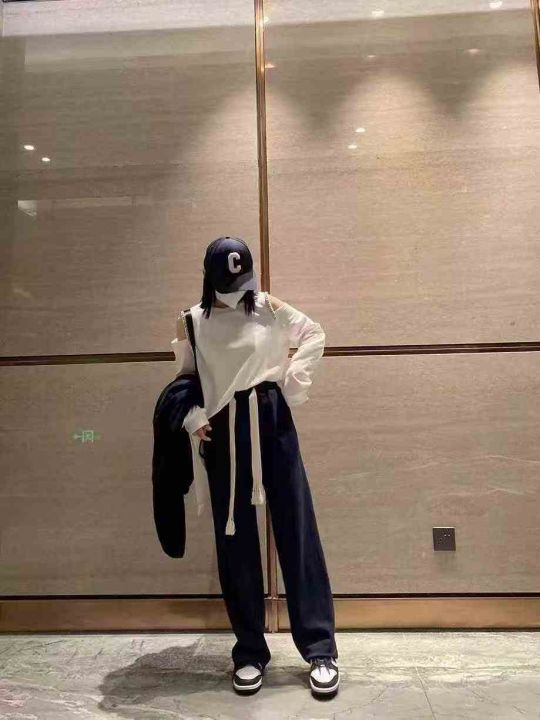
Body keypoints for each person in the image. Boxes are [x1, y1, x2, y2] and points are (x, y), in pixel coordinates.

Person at [171, 235, 339, 697]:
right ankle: (248, 651)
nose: (238, 288)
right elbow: (185, 378)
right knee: (235, 542)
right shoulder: (192, 320)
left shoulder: (268, 306)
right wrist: (193, 417)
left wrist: (292, 385)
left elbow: (314, 334)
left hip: (270, 420)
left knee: (297, 531)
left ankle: (320, 649)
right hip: (223, 430)